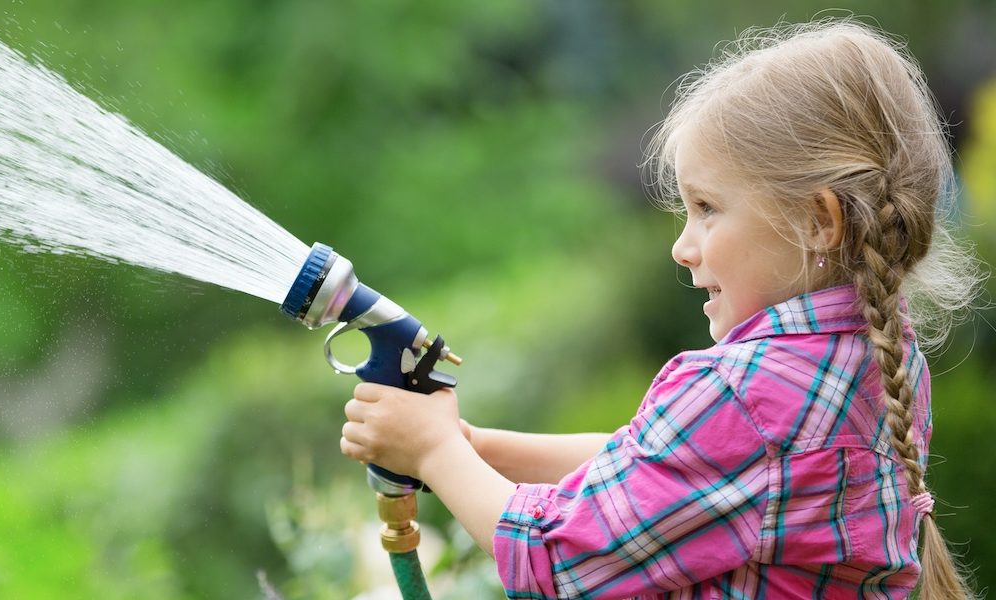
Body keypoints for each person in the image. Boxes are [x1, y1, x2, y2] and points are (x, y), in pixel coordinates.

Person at [338, 19, 984, 599]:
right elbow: (649, 467)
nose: (682, 247)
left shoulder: (740, 396)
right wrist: (473, 446)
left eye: (707, 209)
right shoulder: (874, 357)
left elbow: (554, 560)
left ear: (818, 220)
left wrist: (433, 454)